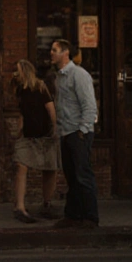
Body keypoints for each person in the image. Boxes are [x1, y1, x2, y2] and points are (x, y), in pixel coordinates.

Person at [51, 38, 99, 229]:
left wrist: (83, 130)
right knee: (71, 175)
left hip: (78, 132)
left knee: (82, 175)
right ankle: (73, 215)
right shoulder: (60, 76)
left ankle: (90, 217)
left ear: (65, 53)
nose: (51, 53)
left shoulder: (79, 75)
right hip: (65, 131)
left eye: (54, 50)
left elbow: (89, 105)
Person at [11, 59, 59, 223]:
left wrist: (54, 128)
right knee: (21, 166)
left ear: (25, 71)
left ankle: (47, 203)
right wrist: (19, 130)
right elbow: (21, 112)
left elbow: (50, 108)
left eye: (18, 71)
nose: (15, 74)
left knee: (49, 168)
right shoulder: (20, 90)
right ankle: (20, 207)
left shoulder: (40, 87)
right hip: (28, 135)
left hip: (45, 133)